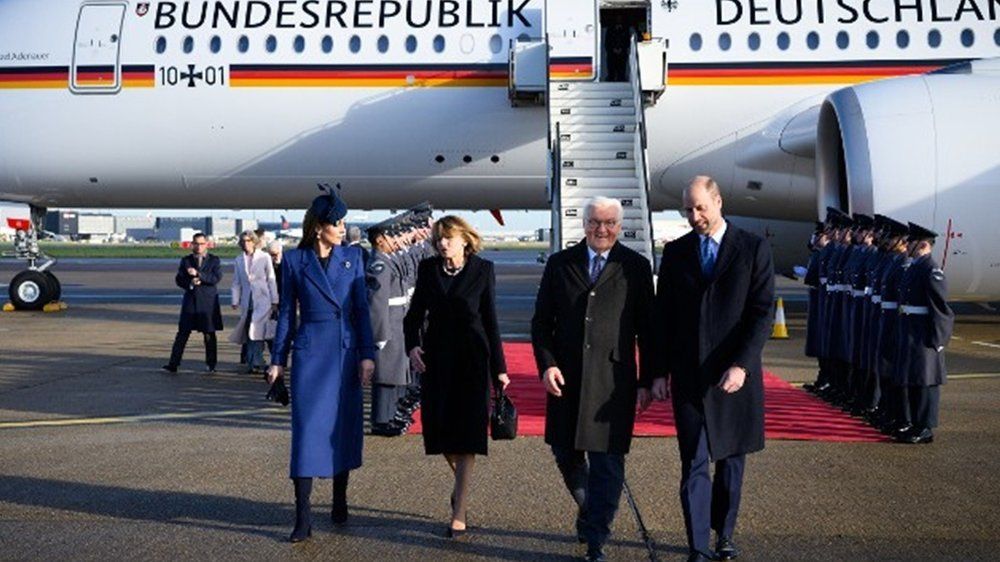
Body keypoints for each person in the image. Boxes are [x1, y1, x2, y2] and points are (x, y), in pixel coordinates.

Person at [651, 176, 774, 562]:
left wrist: (742, 365)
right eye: (687, 209)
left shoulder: (753, 248)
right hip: (689, 376)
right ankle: (698, 545)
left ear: (718, 201)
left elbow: (761, 312)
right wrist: (657, 372)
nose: (694, 216)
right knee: (694, 463)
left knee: (731, 463)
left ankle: (725, 534)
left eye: (700, 207)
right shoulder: (676, 252)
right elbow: (663, 319)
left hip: (734, 377)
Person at [531, 196, 654, 562]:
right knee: (565, 452)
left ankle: (597, 538)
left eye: (609, 223)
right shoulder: (559, 264)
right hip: (566, 378)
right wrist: (547, 364)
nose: (602, 230)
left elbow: (649, 330)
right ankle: (590, 508)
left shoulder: (635, 266)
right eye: (594, 222)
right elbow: (541, 323)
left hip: (612, 382)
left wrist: (648, 380)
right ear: (583, 224)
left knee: (608, 462)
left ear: (620, 225)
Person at [267, 190, 376, 542]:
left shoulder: (354, 257)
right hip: (311, 355)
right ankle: (302, 516)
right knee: (307, 431)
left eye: (343, 222)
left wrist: (367, 354)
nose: (343, 228)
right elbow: (286, 312)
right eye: (337, 223)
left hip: (345, 355)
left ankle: (339, 500)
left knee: (341, 428)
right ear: (318, 227)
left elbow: (361, 310)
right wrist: (277, 361)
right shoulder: (295, 261)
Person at [404, 215, 509, 539]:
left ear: (465, 239)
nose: (442, 243)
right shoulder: (429, 270)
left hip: (473, 362)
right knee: (441, 434)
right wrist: (412, 348)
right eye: (438, 239)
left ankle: (458, 512)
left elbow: (490, 320)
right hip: (437, 362)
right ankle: (460, 489)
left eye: (447, 238)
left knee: (467, 437)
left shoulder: (483, 270)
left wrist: (500, 369)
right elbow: (412, 318)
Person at [893, 222, 953, 444]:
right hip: (911, 331)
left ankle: (925, 428)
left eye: (911, 241)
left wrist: (938, 340)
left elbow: (941, 310)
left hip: (923, 335)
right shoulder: (915, 266)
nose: (906, 245)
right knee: (914, 380)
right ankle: (915, 424)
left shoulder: (931, 271)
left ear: (923, 244)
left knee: (925, 383)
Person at [366, 226, 410, 436]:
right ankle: (381, 420)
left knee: (393, 372)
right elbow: (377, 301)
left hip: (396, 319)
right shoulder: (379, 263)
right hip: (388, 323)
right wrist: (379, 333)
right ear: (381, 240)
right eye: (391, 237)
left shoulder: (387, 259)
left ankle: (389, 415)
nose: (396, 240)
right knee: (385, 374)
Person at [163, 232, 223, 373]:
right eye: (196, 243)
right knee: (182, 333)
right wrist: (190, 282)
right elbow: (179, 279)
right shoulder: (186, 260)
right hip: (190, 301)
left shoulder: (214, 260)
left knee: (209, 334)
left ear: (207, 244)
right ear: (192, 244)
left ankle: (211, 364)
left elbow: (216, 278)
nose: (198, 246)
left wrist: (199, 275)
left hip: (207, 302)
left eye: (201, 244)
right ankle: (173, 363)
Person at [229, 230, 279, 374]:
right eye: (243, 241)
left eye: (249, 240)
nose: (246, 243)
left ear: (254, 242)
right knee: (252, 332)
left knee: (266, 333)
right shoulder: (239, 259)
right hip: (247, 301)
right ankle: (254, 362)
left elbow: (271, 279)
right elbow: (236, 282)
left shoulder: (264, 257)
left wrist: (274, 300)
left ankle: (273, 360)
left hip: (263, 299)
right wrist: (235, 300)